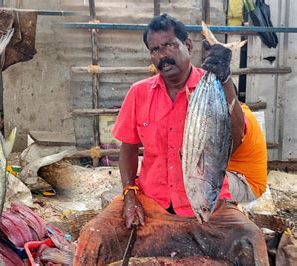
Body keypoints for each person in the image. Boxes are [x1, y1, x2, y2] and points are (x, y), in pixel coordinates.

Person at [74, 14, 268, 265]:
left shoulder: (214, 86)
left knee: (250, 238)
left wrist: (226, 79)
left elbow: (237, 136)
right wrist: (129, 194)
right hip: (151, 202)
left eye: (169, 45)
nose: (162, 55)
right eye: (155, 49)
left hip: (209, 205)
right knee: (93, 235)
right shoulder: (138, 93)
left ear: (187, 45)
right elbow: (128, 150)